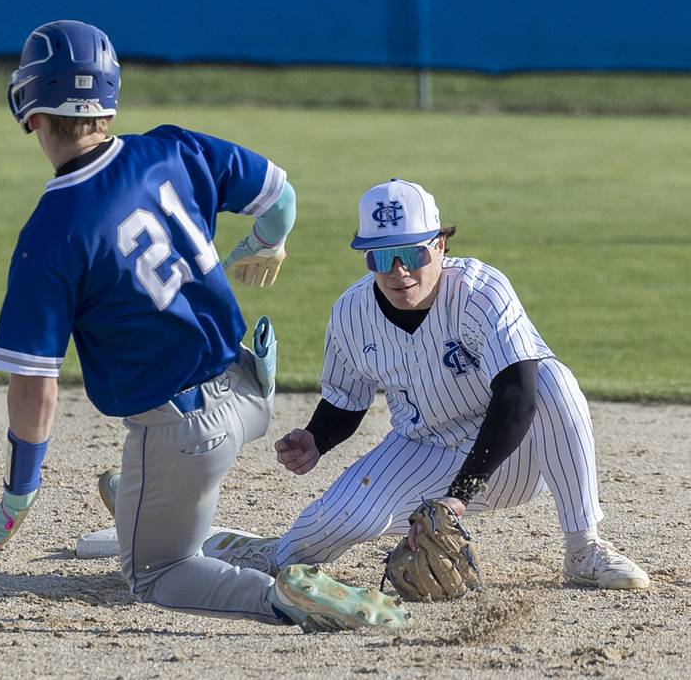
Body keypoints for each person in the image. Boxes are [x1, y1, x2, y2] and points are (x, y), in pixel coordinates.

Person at [0, 20, 409, 633]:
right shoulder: (171, 147)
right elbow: (280, 198)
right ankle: (145, 496)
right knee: (165, 478)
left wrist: (20, 492)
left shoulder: (51, 232)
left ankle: (281, 598)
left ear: (31, 112)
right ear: (108, 100)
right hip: (252, 391)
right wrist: (263, 245)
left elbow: (35, 388)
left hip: (186, 432)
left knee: (156, 574)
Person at [198, 178, 650, 591]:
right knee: (333, 524)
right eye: (380, 255)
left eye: (412, 253)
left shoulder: (481, 292)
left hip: (514, 457)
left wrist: (458, 496)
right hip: (424, 449)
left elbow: (518, 396)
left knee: (552, 378)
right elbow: (345, 401)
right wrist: (317, 438)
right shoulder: (351, 313)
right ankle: (260, 551)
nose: (398, 271)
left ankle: (584, 548)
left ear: (440, 245)